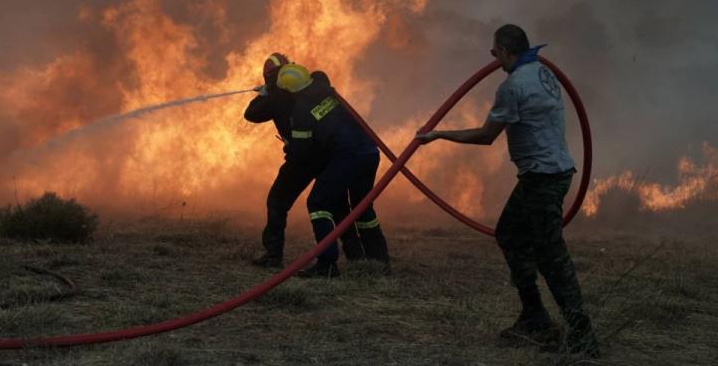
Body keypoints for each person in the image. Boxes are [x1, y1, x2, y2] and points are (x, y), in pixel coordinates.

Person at [415, 24, 599, 357]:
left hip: (544, 177)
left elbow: (486, 136)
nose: (493, 57)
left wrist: (439, 135)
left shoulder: (513, 85)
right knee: (510, 234)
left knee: (551, 255)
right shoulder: (543, 73)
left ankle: (583, 335)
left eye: (494, 52)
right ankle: (534, 315)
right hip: (547, 173)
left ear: (503, 50)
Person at [244, 53, 363, 268]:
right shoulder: (315, 84)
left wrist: (264, 93)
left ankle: (273, 255)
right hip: (327, 153)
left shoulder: (275, 96)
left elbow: (250, 114)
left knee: (278, 201)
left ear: (268, 76)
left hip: (301, 157)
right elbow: (320, 76)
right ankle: (355, 255)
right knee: (338, 206)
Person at [277, 63, 390, 278]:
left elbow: (300, 151)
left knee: (318, 203)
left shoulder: (301, 108)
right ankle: (379, 261)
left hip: (348, 157)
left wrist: (289, 150)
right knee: (363, 207)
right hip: (369, 152)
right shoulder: (326, 90)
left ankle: (327, 265)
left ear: (290, 90)